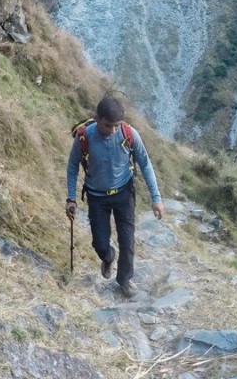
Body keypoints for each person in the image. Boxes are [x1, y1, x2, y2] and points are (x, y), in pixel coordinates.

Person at [66, 96, 164, 298]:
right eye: (108, 125)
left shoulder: (129, 134)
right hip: (96, 196)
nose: (112, 130)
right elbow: (73, 166)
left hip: (124, 193)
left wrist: (156, 198)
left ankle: (125, 280)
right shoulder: (84, 138)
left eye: (116, 125)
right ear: (97, 118)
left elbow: (145, 164)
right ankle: (108, 256)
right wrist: (71, 198)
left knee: (127, 241)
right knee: (100, 244)